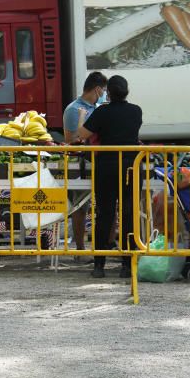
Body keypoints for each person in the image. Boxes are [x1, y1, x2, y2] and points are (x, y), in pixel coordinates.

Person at [77, 75, 142, 279]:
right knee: (129, 215)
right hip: (131, 167)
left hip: (106, 168)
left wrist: (81, 117)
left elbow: (82, 134)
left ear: (109, 93)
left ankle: (99, 265)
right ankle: (126, 265)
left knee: (104, 215)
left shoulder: (101, 111)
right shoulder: (136, 111)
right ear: (126, 91)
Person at [62, 71, 107, 254]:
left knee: (105, 206)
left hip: (99, 160)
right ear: (97, 89)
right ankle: (80, 248)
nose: (104, 93)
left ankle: (106, 247)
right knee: (80, 206)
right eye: (103, 90)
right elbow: (71, 138)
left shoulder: (99, 107)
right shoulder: (74, 109)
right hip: (79, 163)